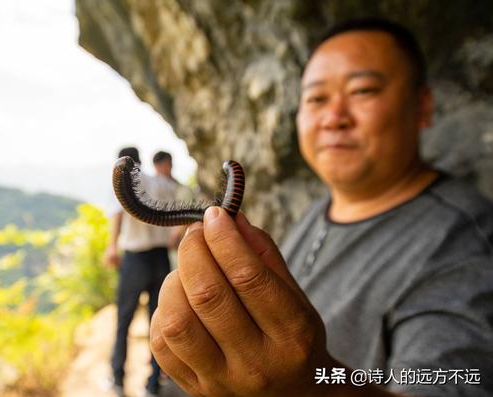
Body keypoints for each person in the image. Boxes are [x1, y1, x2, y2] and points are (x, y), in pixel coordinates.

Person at [149, 18, 493, 397]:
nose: (333, 118)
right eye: (315, 98)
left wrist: (310, 387)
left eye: (362, 90)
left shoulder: (465, 241)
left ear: (422, 107)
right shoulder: (318, 212)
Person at [104, 147, 180, 396]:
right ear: (141, 159)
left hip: (136, 258)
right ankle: (154, 382)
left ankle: (117, 378)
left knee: (124, 320)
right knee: (157, 321)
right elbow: (178, 215)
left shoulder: (125, 180)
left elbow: (118, 214)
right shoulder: (160, 183)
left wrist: (112, 246)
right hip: (160, 258)